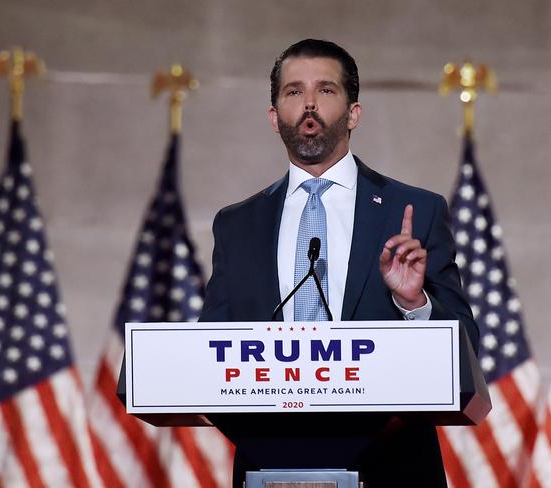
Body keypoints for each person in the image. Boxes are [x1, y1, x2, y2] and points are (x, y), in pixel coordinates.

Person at [199, 38, 479, 488]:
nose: (309, 103)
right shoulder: (237, 224)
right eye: (293, 92)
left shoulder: (414, 211)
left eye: (326, 91)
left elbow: (466, 348)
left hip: (394, 468)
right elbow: (210, 348)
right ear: (275, 118)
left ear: (353, 113)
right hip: (269, 469)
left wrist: (414, 303)